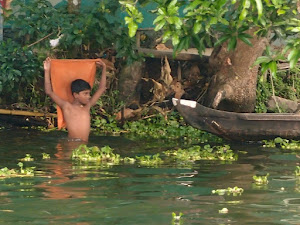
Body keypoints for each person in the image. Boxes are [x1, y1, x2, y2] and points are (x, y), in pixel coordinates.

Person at [43, 57, 107, 142]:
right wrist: (47, 70)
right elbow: (49, 92)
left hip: (84, 147)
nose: (89, 96)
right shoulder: (67, 107)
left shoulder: (87, 107)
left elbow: (102, 88)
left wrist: (104, 68)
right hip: (71, 146)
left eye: (89, 93)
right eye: (85, 94)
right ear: (76, 95)